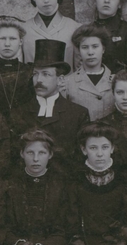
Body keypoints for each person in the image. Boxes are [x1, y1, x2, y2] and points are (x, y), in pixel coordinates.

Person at [10, 40, 89, 168]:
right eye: (35, 74)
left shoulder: (78, 114)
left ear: (60, 79)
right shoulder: (19, 112)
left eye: (46, 74)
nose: (38, 80)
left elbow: (80, 157)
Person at [64, 24, 115, 120]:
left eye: (95, 46)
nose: (90, 52)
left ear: (103, 49)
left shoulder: (116, 80)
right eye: (85, 47)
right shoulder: (67, 83)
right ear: (79, 50)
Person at [0, 18, 33, 115]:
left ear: (20, 42)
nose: (7, 44)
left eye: (12, 39)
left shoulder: (30, 72)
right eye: (2, 38)